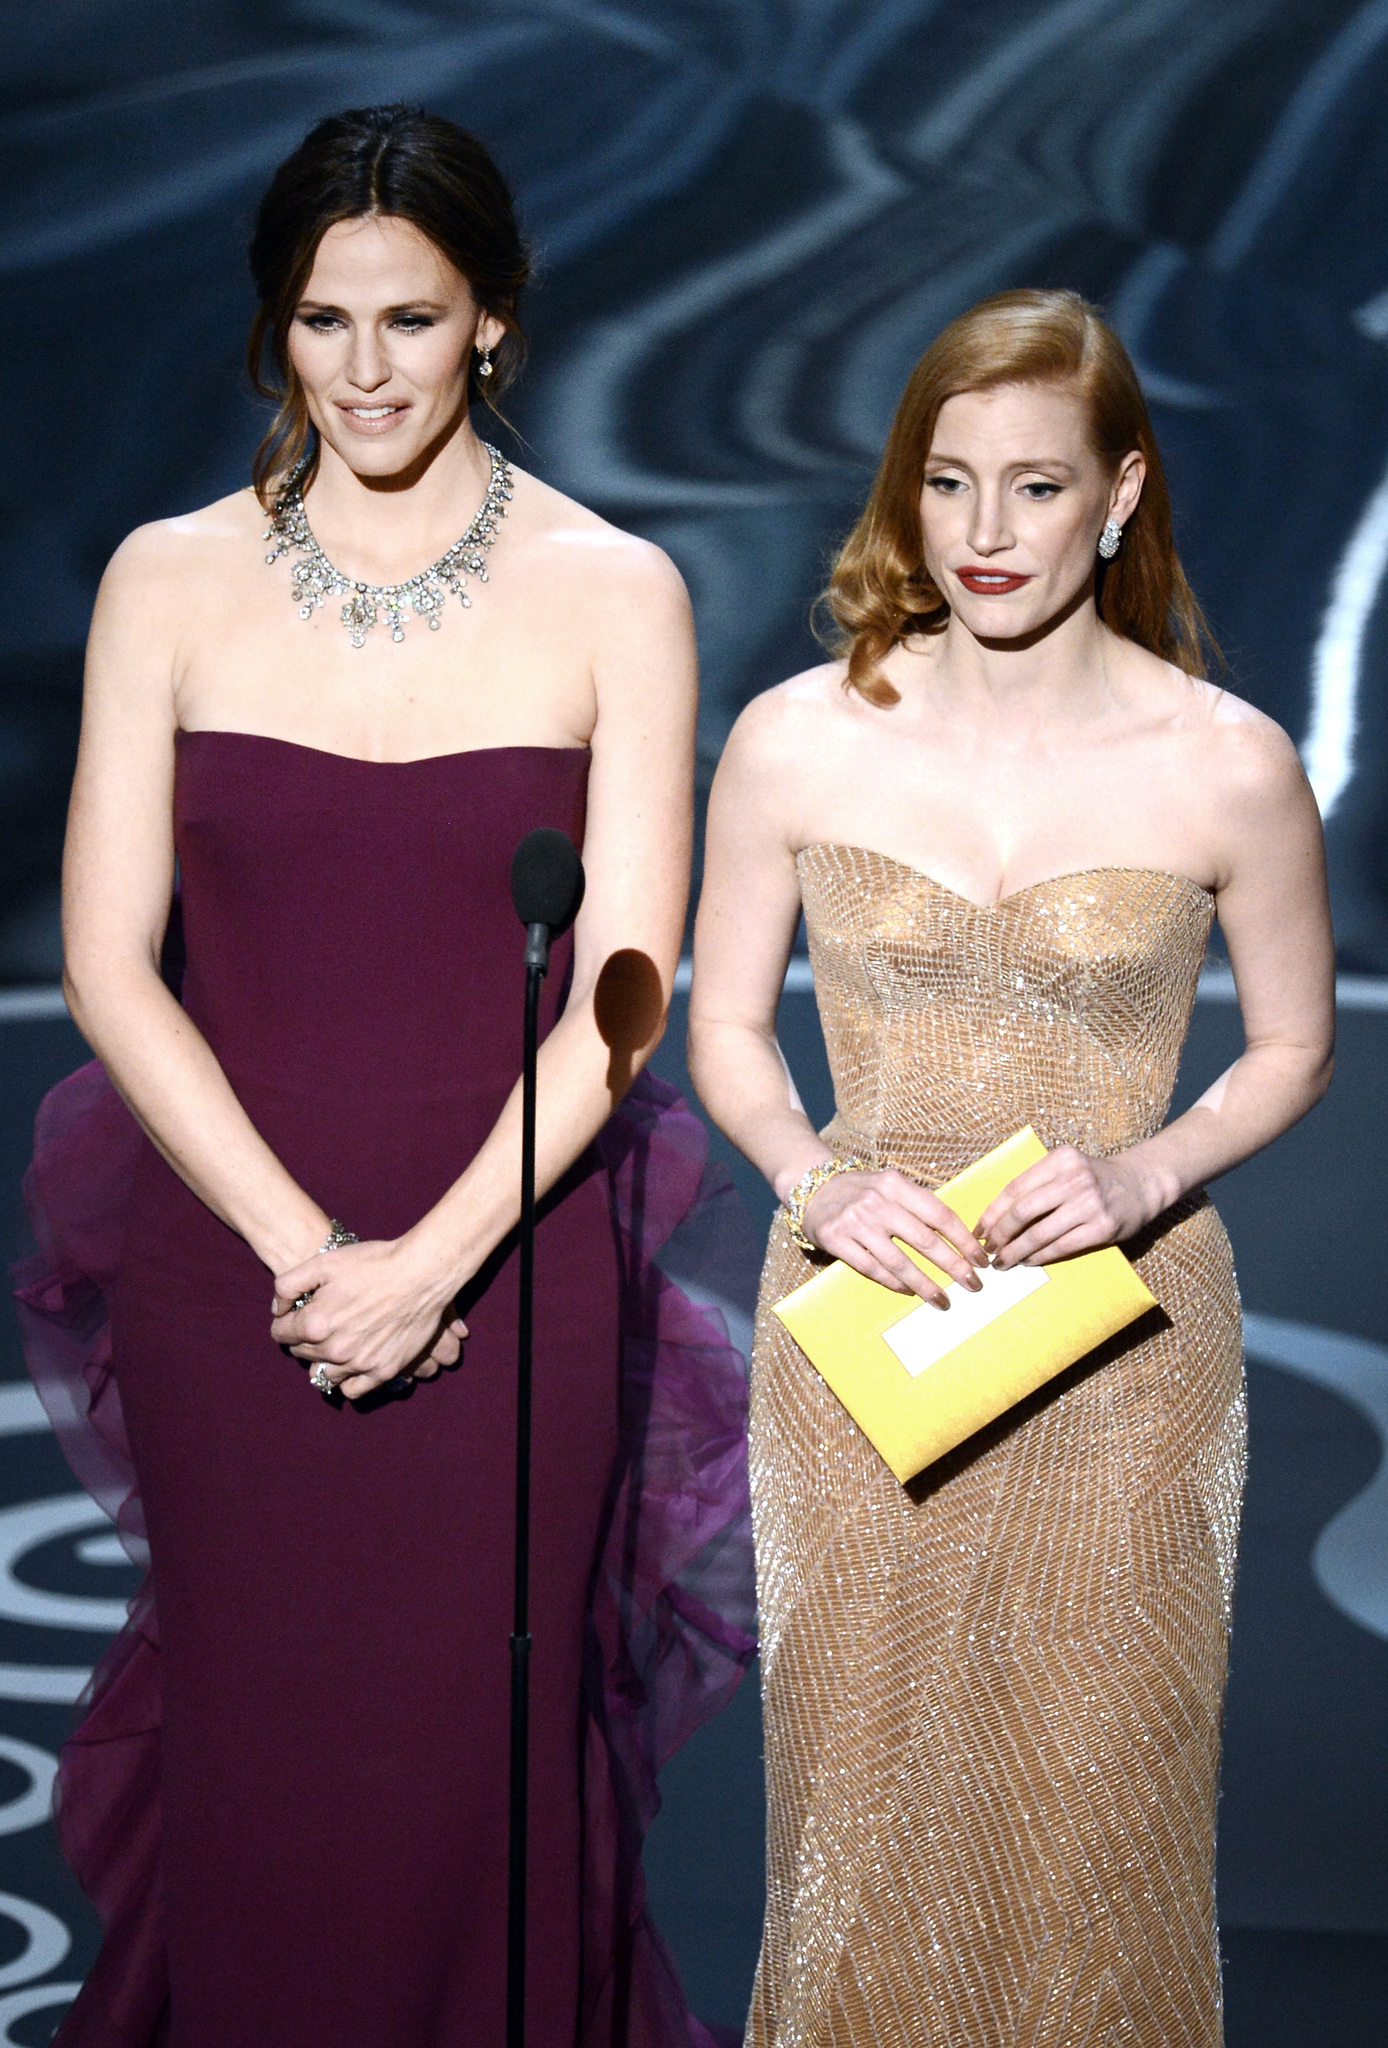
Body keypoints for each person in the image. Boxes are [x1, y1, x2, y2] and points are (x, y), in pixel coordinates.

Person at [15, 104, 754, 2048]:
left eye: (408, 321)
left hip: (508, 1275)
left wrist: (427, 1261)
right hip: (232, 1277)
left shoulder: (617, 594)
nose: (363, 371)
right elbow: (109, 958)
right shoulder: (166, 580)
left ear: (491, 321)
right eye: (321, 321)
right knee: (261, 1770)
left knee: (480, 1775)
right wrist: (302, 1250)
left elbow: (626, 984)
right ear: (275, 330)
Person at [688, 288, 1335, 2047]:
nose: (984, 534)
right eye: (947, 482)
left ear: (1119, 493)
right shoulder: (797, 736)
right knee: (858, 1826)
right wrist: (813, 1184)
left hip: (1119, 1348)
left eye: (1034, 487)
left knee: (1094, 1834)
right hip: (864, 1321)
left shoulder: (1229, 762)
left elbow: (1291, 1045)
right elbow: (725, 1031)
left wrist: (1150, 1173)